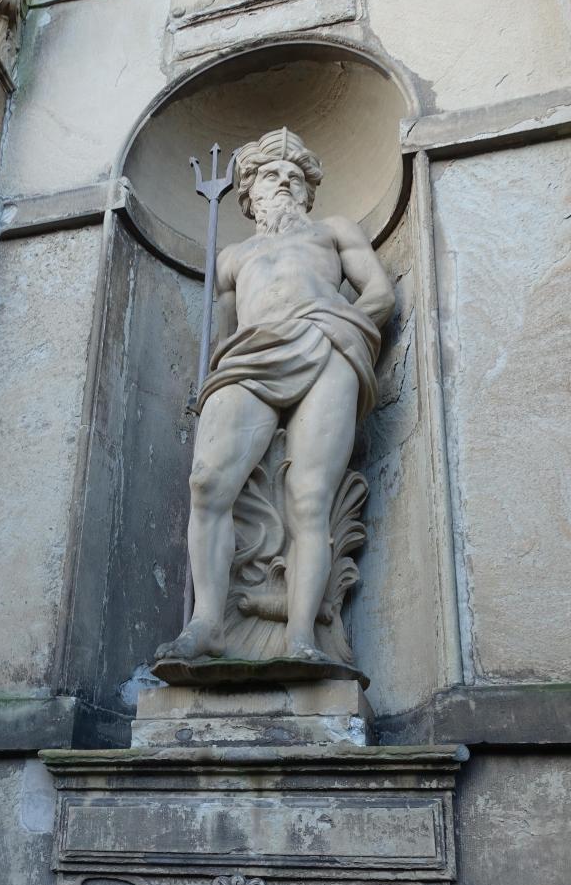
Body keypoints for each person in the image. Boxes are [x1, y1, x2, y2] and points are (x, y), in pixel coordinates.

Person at [156, 127, 394, 664]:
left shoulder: (333, 231)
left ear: (308, 193)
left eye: (294, 177)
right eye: (270, 176)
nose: (283, 182)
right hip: (250, 357)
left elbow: (380, 294)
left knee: (310, 498)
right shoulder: (232, 257)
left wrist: (339, 325)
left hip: (326, 346)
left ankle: (301, 636)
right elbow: (224, 337)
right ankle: (207, 623)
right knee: (207, 483)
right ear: (250, 195)